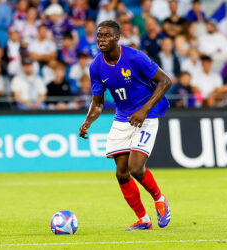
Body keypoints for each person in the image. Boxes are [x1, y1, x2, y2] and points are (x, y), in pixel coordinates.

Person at [79, 20, 171, 231]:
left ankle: (159, 199)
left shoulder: (135, 57)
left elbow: (165, 81)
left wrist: (144, 109)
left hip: (146, 115)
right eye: (99, 35)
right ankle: (143, 220)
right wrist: (88, 122)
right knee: (121, 173)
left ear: (117, 38)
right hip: (122, 119)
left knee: (136, 167)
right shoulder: (96, 66)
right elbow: (98, 102)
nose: (101, 39)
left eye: (106, 35)